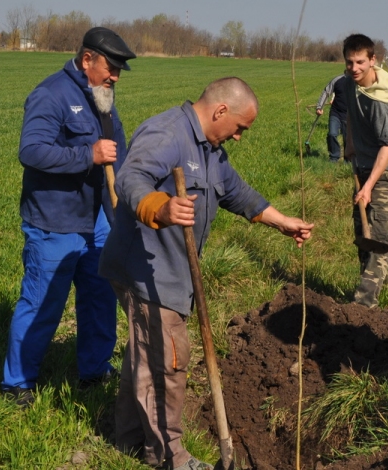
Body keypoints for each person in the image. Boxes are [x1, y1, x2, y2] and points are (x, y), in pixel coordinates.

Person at [98, 77, 314, 470]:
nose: (239, 137)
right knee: (168, 361)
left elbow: (236, 192)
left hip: (172, 271)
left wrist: (281, 221)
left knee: (145, 355)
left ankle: (129, 440)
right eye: (240, 128)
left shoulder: (210, 149)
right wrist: (159, 208)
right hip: (146, 269)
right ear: (220, 112)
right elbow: (131, 178)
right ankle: (170, 456)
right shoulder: (168, 133)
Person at [0, 27, 136, 407]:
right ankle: (17, 383)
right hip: (54, 222)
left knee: (99, 299)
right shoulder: (51, 94)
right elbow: (31, 151)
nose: (115, 76)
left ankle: (94, 369)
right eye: (111, 67)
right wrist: (86, 156)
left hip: (98, 221)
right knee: (43, 302)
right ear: (87, 58)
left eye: (120, 70)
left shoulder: (103, 98)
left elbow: (117, 154)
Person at [342, 34, 388, 308]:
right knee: (362, 232)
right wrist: (349, 144)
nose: (354, 68)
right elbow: (349, 114)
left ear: (373, 61)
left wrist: (368, 186)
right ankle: (373, 284)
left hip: (387, 170)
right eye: (349, 62)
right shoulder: (349, 82)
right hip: (363, 162)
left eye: (360, 62)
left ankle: (363, 306)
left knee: (379, 237)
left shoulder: (383, 103)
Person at [315, 71, 348, 162]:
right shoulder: (337, 80)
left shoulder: (358, 82)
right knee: (332, 134)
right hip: (336, 113)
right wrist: (319, 107)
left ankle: (348, 160)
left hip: (350, 116)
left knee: (348, 139)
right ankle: (334, 157)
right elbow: (326, 92)